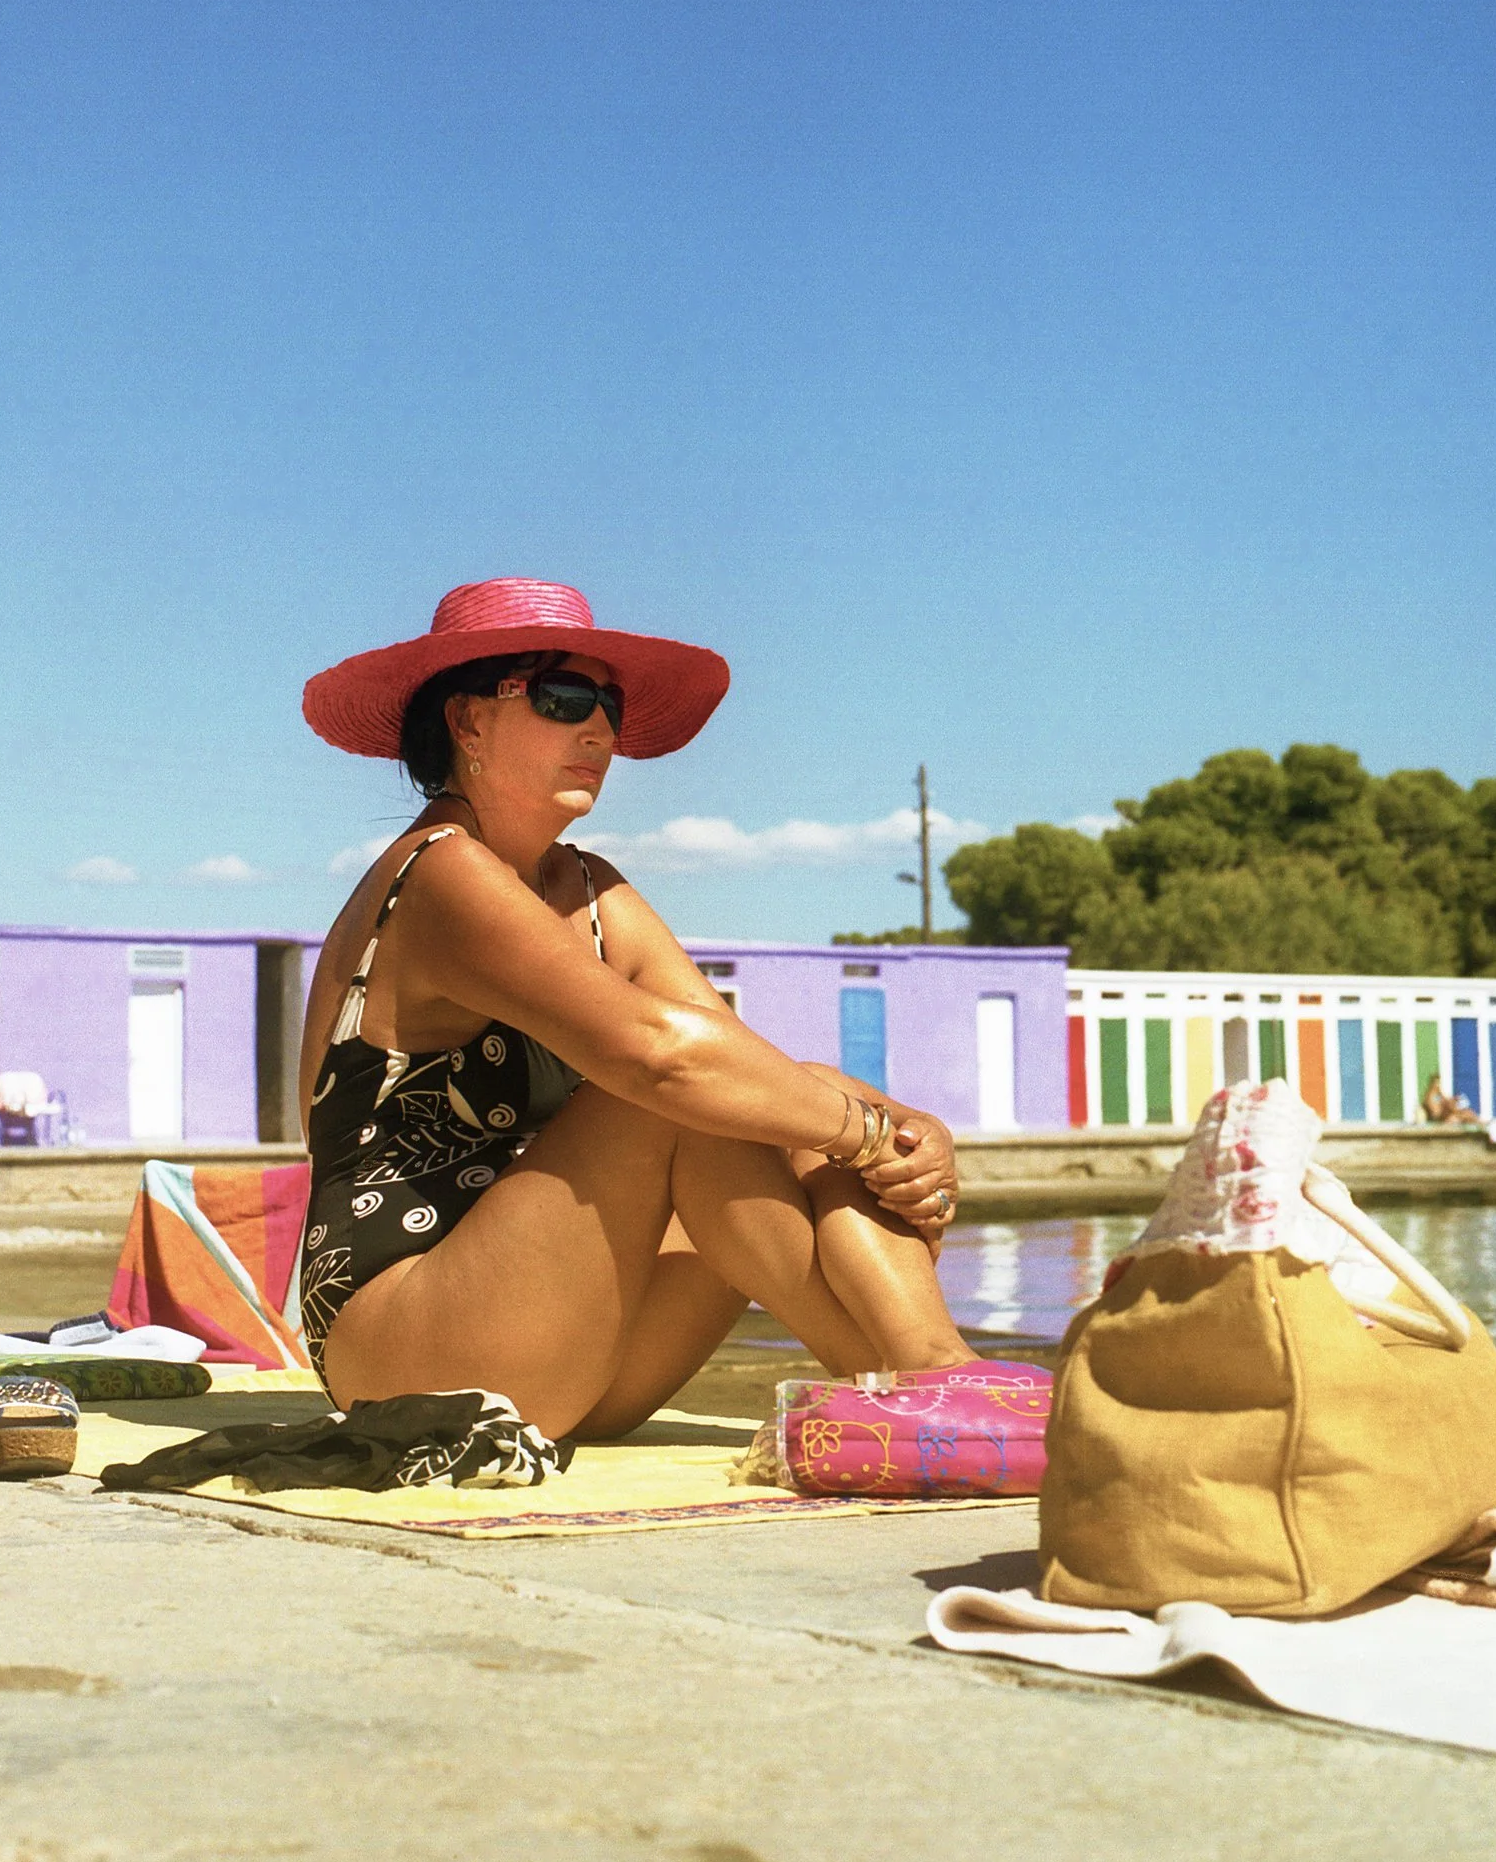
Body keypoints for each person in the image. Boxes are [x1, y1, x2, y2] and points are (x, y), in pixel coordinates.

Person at [297, 578, 983, 1442]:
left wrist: (910, 1132)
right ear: (468, 722)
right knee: (675, 1089)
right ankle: (931, 1385)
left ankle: (932, 1374)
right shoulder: (440, 872)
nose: (599, 731)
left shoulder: (592, 889)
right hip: (406, 1344)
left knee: (776, 1095)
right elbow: (661, 1057)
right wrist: (872, 1134)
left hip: (566, 1341)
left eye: (608, 706)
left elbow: (747, 1065)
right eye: (563, 697)